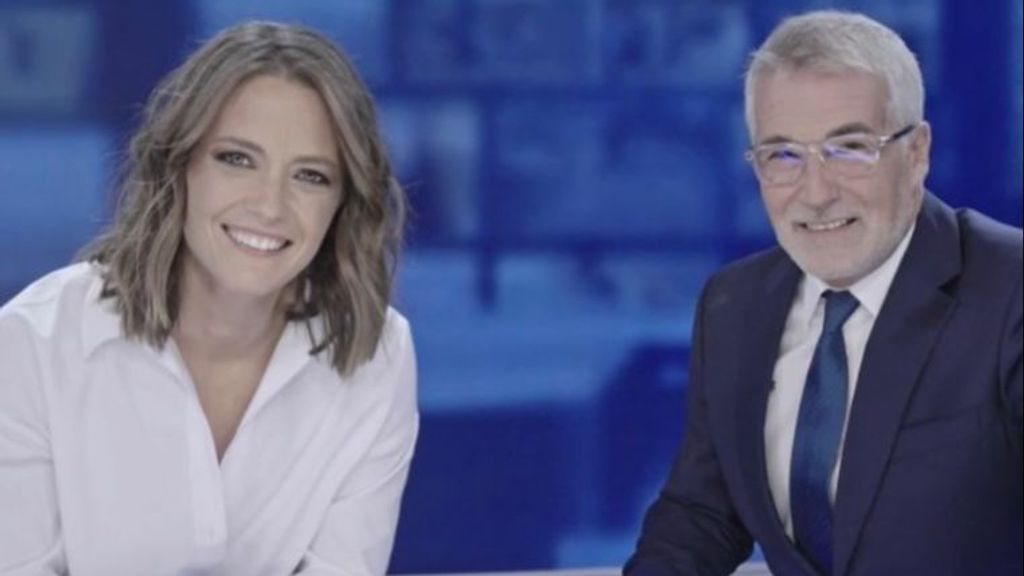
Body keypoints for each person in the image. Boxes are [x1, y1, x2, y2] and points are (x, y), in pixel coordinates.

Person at [0, 21, 417, 576]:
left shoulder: (376, 354)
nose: (270, 206)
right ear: (181, 166)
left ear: (343, 204)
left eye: (311, 176)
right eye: (237, 159)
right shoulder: (32, 343)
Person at [625, 10, 1022, 576]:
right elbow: (701, 513)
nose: (815, 194)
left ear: (916, 154)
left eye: (850, 148)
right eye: (783, 155)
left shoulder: (1011, 289)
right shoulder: (732, 304)